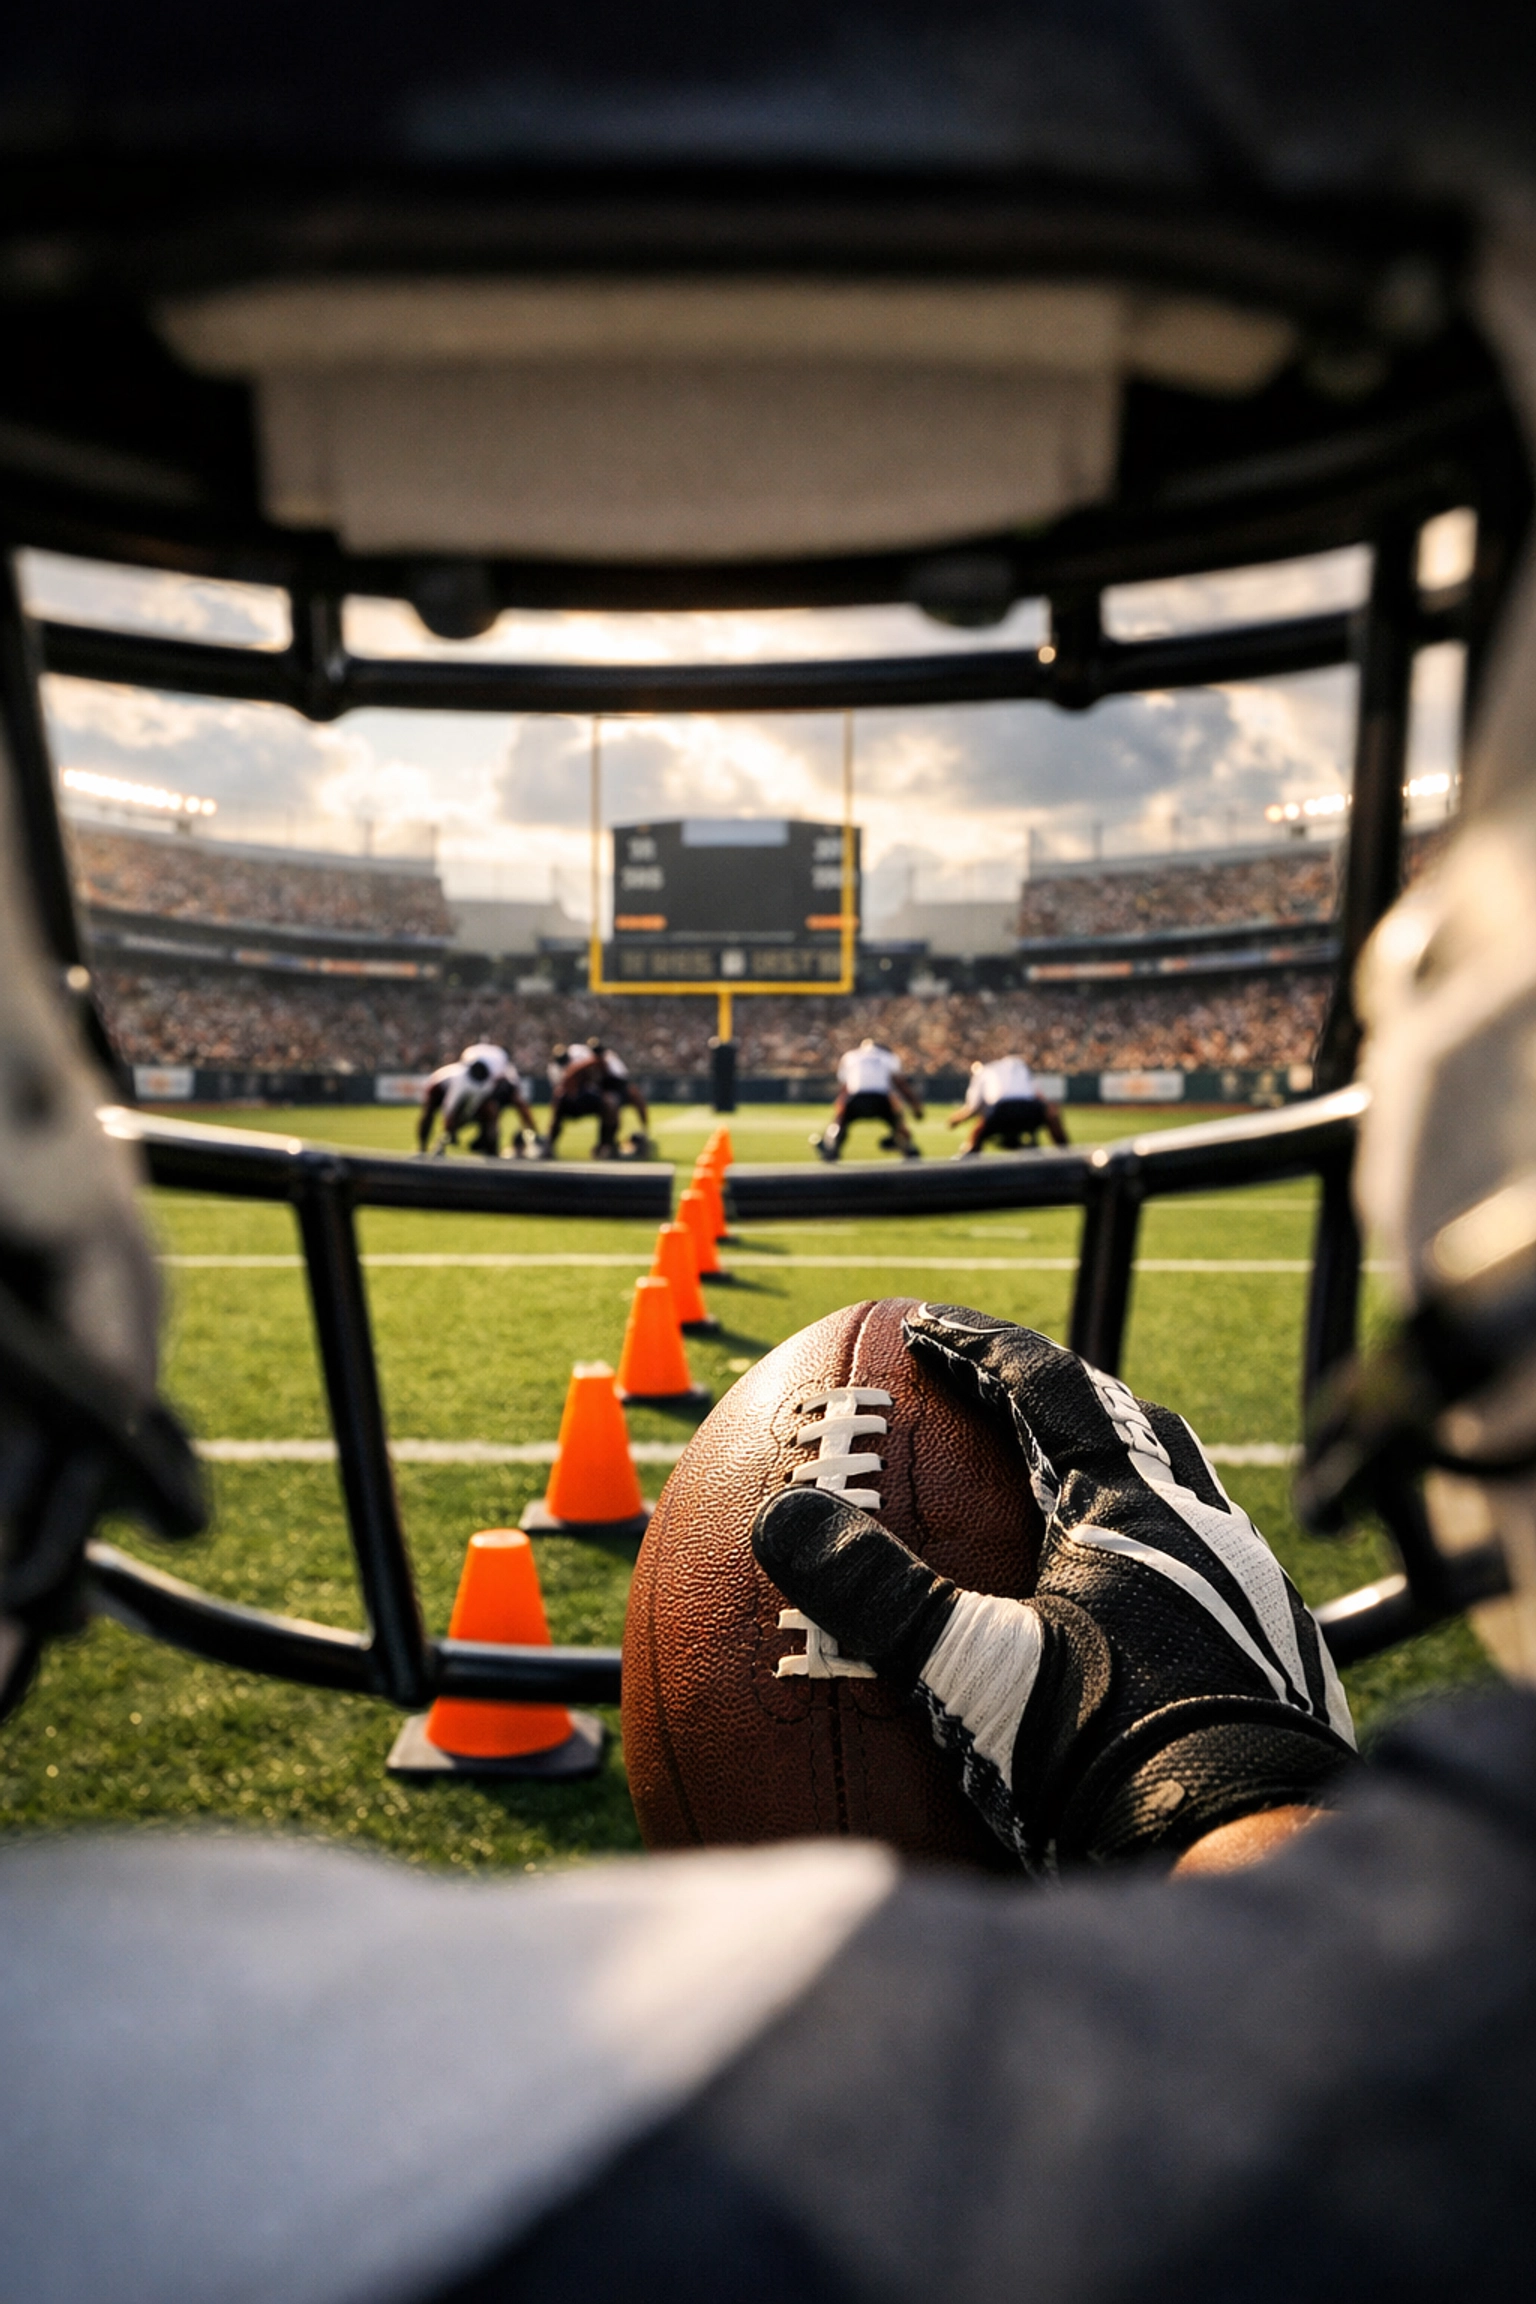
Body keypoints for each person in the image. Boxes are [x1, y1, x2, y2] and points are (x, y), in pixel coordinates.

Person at [813, 1037, 925, 1162]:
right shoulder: (888, 1057)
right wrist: (916, 1106)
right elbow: (901, 1085)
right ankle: (907, 1147)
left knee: (840, 1122)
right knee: (897, 1120)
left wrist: (840, 1108)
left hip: (855, 1098)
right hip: (880, 1099)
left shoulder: (850, 1056)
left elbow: (845, 1087)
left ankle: (831, 1146)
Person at [416, 1045, 536, 1158]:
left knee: (488, 1114)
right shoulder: (461, 1080)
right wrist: (450, 1129)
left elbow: (472, 1109)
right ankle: (423, 1148)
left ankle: (488, 1148)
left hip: (474, 1089)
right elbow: (449, 1108)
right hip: (439, 1087)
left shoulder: (494, 1078)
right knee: (430, 1113)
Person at [948, 1055, 1069, 1155]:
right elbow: (1038, 1096)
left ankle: (967, 1161)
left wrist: (956, 1120)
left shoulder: (983, 1072)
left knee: (977, 1134)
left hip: (1001, 1110)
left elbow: (973, 1108)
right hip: (1030, 1110)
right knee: (1052, 1118)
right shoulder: (1016, 1064)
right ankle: (1067, 1155)